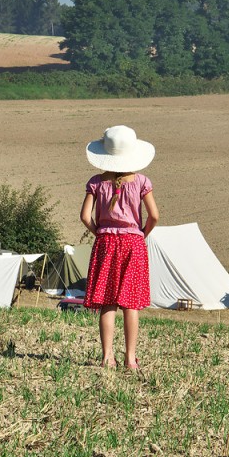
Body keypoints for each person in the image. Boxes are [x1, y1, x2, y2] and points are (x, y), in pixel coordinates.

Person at [80, 125, 158, 370]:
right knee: (130, 302)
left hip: (105, 242)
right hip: (133, 243)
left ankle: (107, 357)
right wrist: (140, 234)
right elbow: (154, 215)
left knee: (107, 301)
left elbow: (84, 216)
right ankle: (130, 358)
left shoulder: (95, 182)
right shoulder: (142, 181)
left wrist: (99, 232)